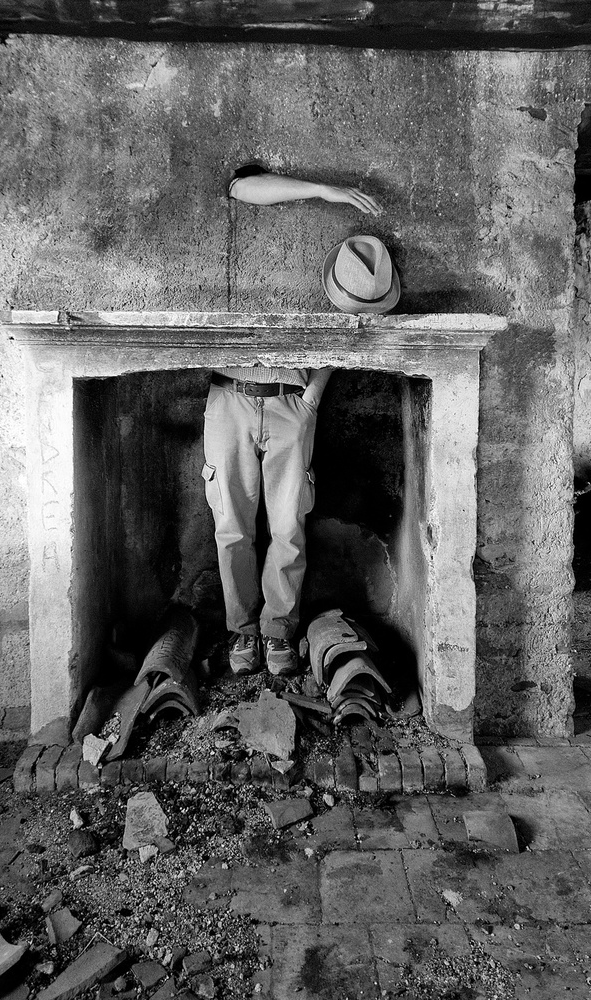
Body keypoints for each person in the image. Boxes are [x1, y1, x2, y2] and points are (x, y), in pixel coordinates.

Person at [203, 165, 394, 676]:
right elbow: (241, 187)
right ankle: (242, 632)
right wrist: (326, 189)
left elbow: (347, 335)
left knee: (289, 527)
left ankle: (277, 630)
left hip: (291, 403)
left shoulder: (344, 271)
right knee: (231, 525)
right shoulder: (246, 229)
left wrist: (312, 398)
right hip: (229, 398)